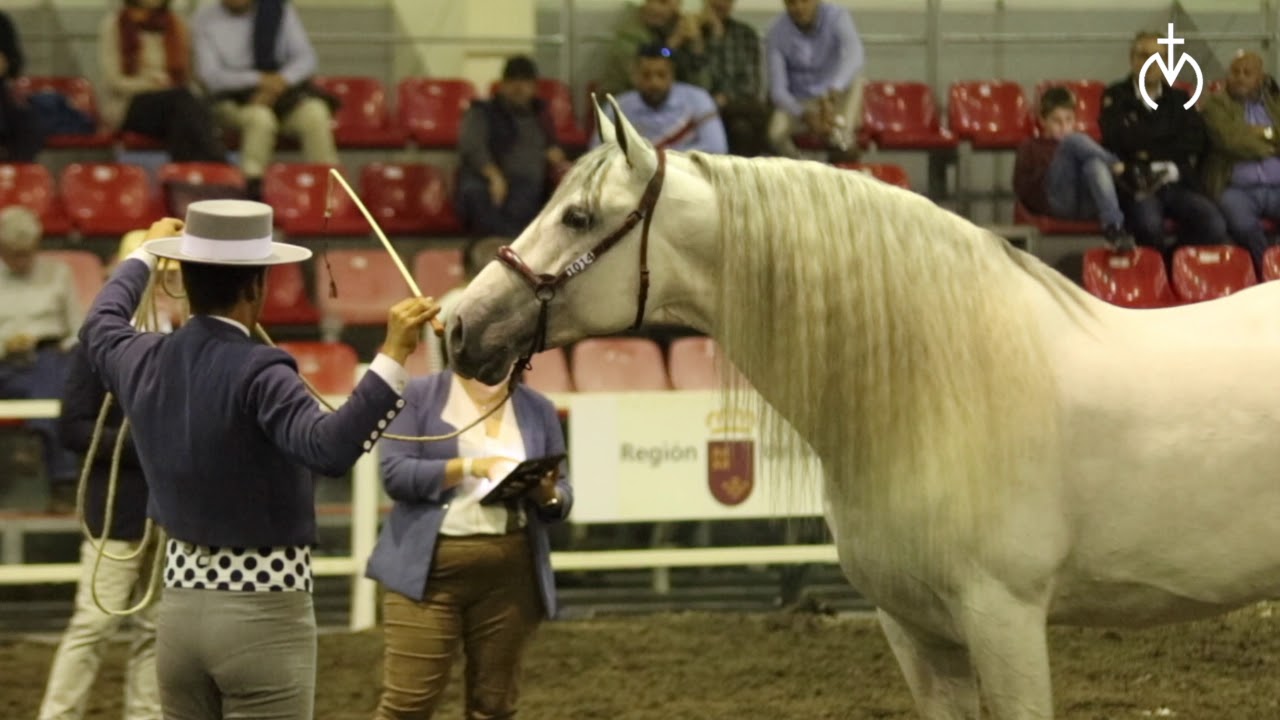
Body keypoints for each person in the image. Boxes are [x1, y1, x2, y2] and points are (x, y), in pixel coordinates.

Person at [78, 200, 439, 720]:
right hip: (263, 607)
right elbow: (329, 449)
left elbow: (98, 325)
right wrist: (393, 355)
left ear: (187, 278)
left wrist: (143, 256)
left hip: (179, 610)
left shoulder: (143, 356)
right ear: (256, 286)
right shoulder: (261, 369)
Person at [36, 230, 185, 720]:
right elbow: (73, 426)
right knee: (95, 624)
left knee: (156, 628)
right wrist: (146, 447)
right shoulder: (97, 345)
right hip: (119, 507)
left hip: (166, 510)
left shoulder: (182, 340)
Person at [366, 368, 572, 719]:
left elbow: (562, 490)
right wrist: (471, 467)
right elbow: (395, 474)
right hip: (426, 574)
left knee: (494, 706)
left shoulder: (538, 406)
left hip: (511, 574)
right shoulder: (418, 395)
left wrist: (548, 495)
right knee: (408, 704)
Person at [1100, 30, 1228, 262]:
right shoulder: (1115, 96)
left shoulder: (1180, 98)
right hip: (1137, 185)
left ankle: (1169, 261)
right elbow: (1117, 140)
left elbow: (1194, 141)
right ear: (1132, 59)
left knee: (1214, 224)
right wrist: (1168, 149)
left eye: (1158, 57)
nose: (1151, 63)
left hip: (1176, 184)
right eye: (1144, 56)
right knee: (1149, 226)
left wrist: (1145, 151)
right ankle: (1157, 270)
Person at [193, 0, 338, 198]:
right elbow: (211, 77)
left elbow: (306, 59)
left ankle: (329, 192)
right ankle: (251, 190)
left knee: (315, 113)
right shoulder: (204, 18)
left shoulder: (277, 9)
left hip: (280, 96)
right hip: (231, 100)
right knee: (260, 118)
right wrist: (259, 80)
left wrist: (279, 83)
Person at [0, 206, 81, 511]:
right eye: (13, 254)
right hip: (5, 363)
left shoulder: (58, 274)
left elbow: (78, 330)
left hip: (48, 356)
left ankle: (37, 440)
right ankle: (62, 480)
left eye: (27, 253)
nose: (21, 261)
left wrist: (59, 347)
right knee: (52, 381)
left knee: (52, 369)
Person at [456, 56, 570, 240]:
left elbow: (552, 149)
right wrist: (494, 176)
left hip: (530, 188)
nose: (518, 87)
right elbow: (472, 148)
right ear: (502, 85)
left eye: (525, 81)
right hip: (489, 184)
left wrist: (559, 160)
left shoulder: (541, 115)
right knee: (476, 194)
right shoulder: (482, 111)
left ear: (534, 87)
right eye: (512, 81)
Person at [99, 0, 227, 162]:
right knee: (181, 104)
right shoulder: (115, 24)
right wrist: (150, 84)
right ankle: (218, 163)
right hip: (128, 103)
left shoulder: (178, 24)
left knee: (182, 117)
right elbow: (114, 81)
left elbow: (189, 76)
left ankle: (186, 172)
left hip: (174, 103)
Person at [1015, 86, 1133, 249]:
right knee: (1072, 141)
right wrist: (1049, 174)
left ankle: (1114, 228)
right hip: (1054, 202)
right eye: (1057, 121)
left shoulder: (1086, 148)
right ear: (1043, 121)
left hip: (1085, 203)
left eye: (1069, 120)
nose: (1064, 127)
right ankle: (1122, 168)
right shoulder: (1030, 146)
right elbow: (1022, 187)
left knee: (1094, 164)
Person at [1201, 50, 1280, 273]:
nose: (1240, 78)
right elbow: (1231, 140)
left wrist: (1262, 132)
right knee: (1243, 225)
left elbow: (1242, 137)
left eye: (1247, 73)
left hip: (1277, 187)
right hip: (1235, 188)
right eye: (1236, 72)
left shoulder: (1275, 104)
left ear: (1261, 78)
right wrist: (1272, 145)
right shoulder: (1216, 104)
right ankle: (1268, 274)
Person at [765, 0, 865, 159]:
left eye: (804, 1)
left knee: (856, 80)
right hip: (800, 101)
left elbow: (855, 55)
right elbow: (778, 91)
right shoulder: (776, 32)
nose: (799, 8)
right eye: (792, 3)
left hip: (833, 96)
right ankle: (801, 167)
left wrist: (834, 90)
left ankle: (842, 138)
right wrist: (804, 115)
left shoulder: (837, 16)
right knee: (775, 134)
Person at [592, 42, 728, 154]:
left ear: (672, 75)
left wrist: (664, 162)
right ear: (635, 76)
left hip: (686, 173)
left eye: (661, 75)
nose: (654, 83)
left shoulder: (698, 99)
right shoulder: (617, 107)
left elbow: (716, 149)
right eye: (646, 75)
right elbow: (597, 151)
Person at [599, 0, 710, 95]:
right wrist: (672, 44)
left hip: (670, 105)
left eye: (663, 2)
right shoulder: (630, 34)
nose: (654, 7)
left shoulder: (677, 27)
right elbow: (646, 81)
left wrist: (696, 45)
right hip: (623, 103)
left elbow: (702, 88)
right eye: (651, 1)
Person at [701, 0, 768, 156]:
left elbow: (752, 83)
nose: (720, 4)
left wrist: (726, 97)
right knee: (746, 121)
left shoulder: (747, 34)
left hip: (736, 105)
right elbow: (698, 80)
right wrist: (715, 39)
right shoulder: (694, 32)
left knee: (743, 126)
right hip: (702, 106)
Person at [0, 9, 42, 162]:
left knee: (27, 122)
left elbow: (15, 63)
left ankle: (16, 169)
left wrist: (6, 64)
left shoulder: (2, 22)